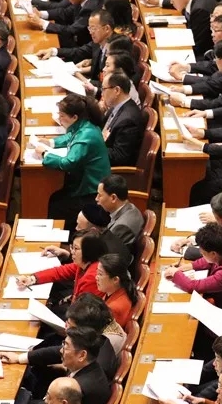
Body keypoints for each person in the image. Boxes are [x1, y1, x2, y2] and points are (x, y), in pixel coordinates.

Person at [30, 94, 110, 230]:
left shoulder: (86, 135)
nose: (59, 119)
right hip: (81, 183)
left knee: (56, 204)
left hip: (90, 191)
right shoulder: (84, 125)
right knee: (55, 197)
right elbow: (70, 137)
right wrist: (50, 142)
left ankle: (60, 237)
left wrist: (45, 154)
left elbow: (68, 163)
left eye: (62, 116)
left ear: (74, 117)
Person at [163, 223, 222, 311]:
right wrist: (187, 266)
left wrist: (175, 273)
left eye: (202, 252)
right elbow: (208, 260)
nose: (200, 252)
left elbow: (192, 287)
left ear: (213, 253)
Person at [16, 232, 106, 304]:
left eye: (76, 248)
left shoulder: (93, 278)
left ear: (88, 251)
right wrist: (31, 279)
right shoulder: (84, 263)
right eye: (72, 247)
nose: (72, 252)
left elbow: (81, 312)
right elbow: (59, 272)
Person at [95, 253, 137, 327]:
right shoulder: (117, 290)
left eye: (100, 274)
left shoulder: (114, 308)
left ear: (115, 279)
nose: (96, 277)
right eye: (97, 272)